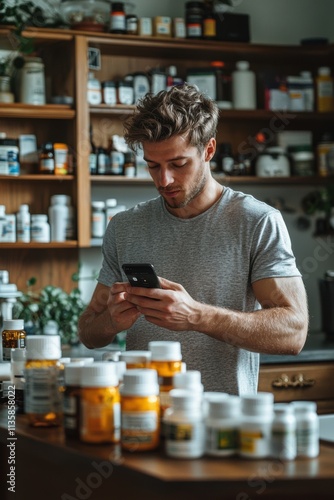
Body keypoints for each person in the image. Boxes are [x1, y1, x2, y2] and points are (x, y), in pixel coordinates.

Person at [78, 83, 308, 394]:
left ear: (209, 150)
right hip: (144, 417)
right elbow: (89, 333)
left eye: (178, 164)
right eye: (153, 166)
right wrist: (112, 321)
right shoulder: (124, 226)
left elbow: (293, 333)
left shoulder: (257, 221)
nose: (164, 180)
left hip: (224, 425)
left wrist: (197, 315)